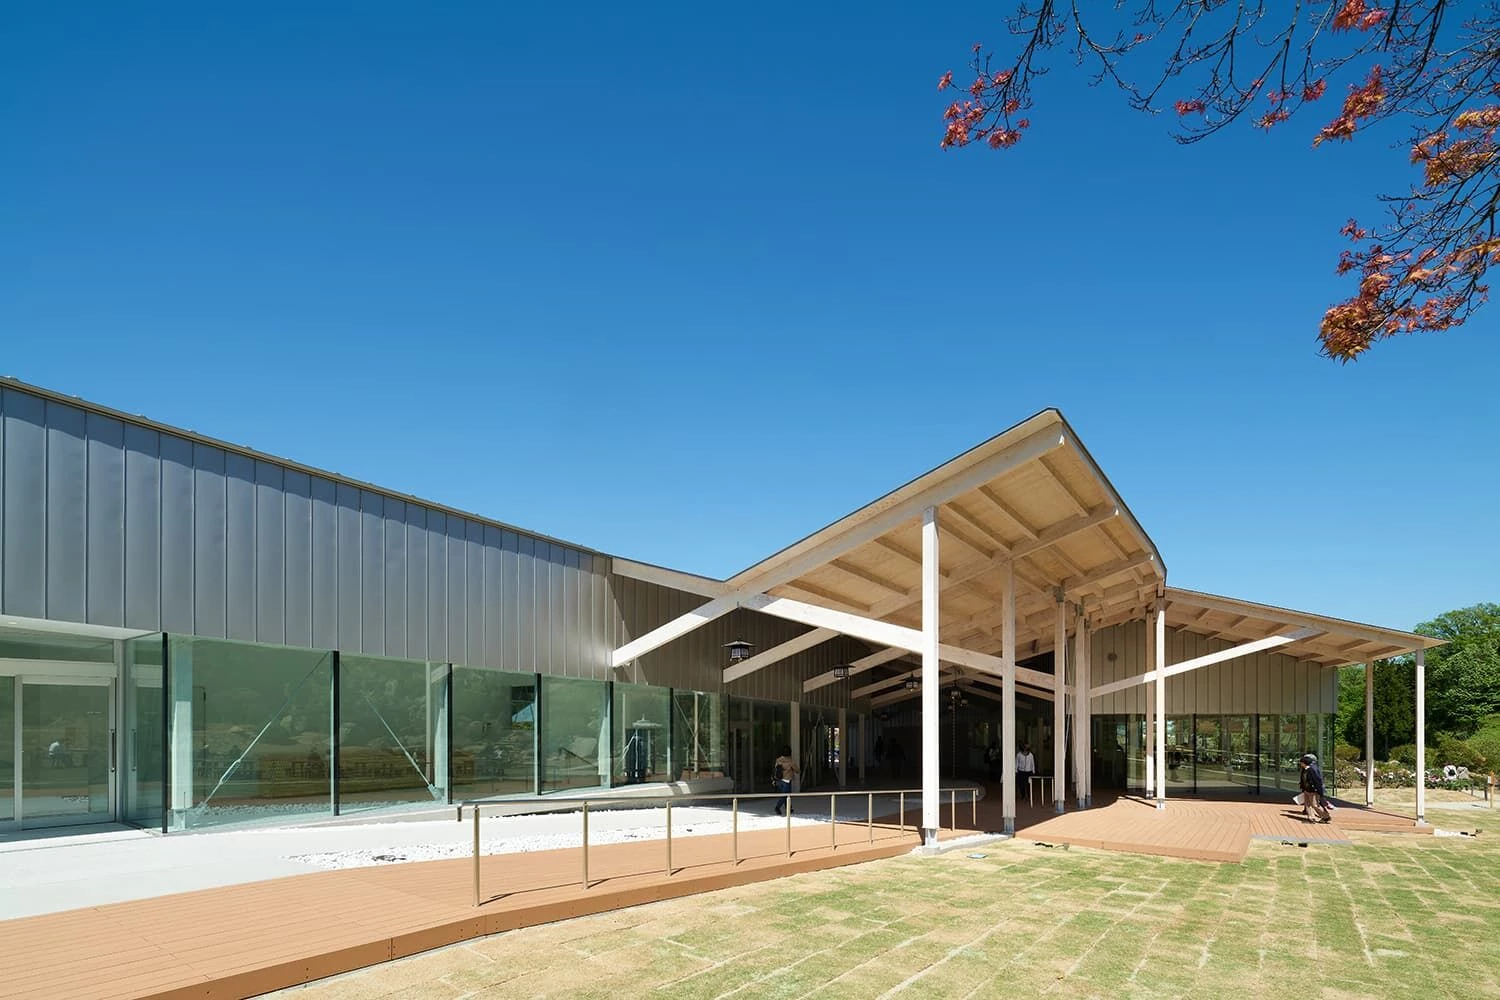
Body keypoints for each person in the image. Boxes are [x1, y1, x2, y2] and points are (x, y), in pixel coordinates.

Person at [1299, 753, 1332, 823]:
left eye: (1301, 762)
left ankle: (1326, 817)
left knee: (1315, 805)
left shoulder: (1312, 769)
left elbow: (1317, 781)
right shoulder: (1305, 769)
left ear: (1304, 763)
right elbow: (1303, 779)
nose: (1300, 764)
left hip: (1312, 790)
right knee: (1307, 804)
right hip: (1306, 789)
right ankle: (1311, 817)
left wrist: (1319, 791)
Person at [773, 746, 798, 816]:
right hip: (787, 780)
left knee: (785, 794)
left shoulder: (778, 760)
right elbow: (797, 770)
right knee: (786, 795)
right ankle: (777, 807)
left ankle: (789, 808)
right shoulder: (791, 761)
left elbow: (775, 768)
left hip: (779, 780)